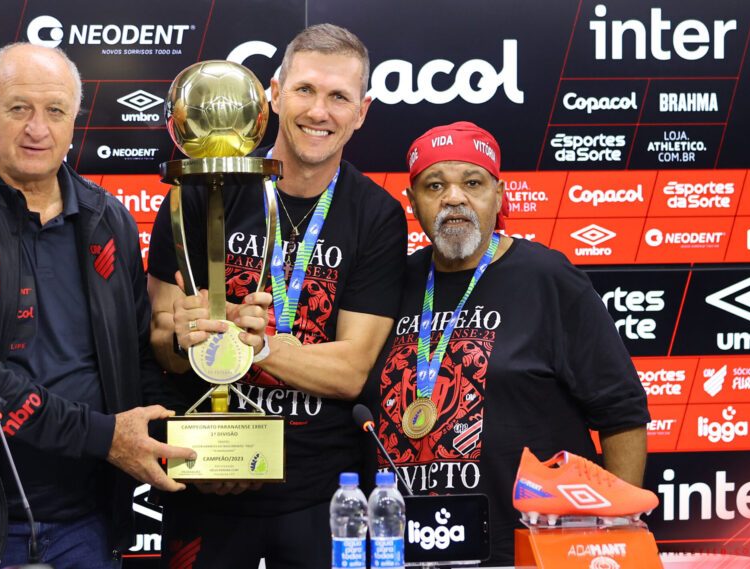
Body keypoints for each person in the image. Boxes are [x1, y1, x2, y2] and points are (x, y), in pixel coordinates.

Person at [0, 43, 199, 568]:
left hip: (87, 527)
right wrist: (105, 438)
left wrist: (198, 447)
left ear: (74, 120)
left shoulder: (109, 219)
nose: (38, 128)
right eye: (19, 108)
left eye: (55, 110)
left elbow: (135, 361)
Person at [148, 24, 407, 569]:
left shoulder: (376, 214)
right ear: (274, 93)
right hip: (206, 478)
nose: (319, 111)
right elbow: (162, 345)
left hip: (321, 494)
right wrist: (186, 334)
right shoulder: (200, 188)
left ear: (362, 112)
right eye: (305, 89)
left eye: (339, 97)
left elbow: (351, 371)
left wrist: (256, 345)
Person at [367, 121, 651, 566]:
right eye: (434, 185)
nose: (454, 198)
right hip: (404, 548)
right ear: (412, 201)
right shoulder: (388, 283)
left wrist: (614, 534)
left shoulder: (549, 279)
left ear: (499, 196)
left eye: (472, 183)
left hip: (529, 549)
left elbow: (622, 413)